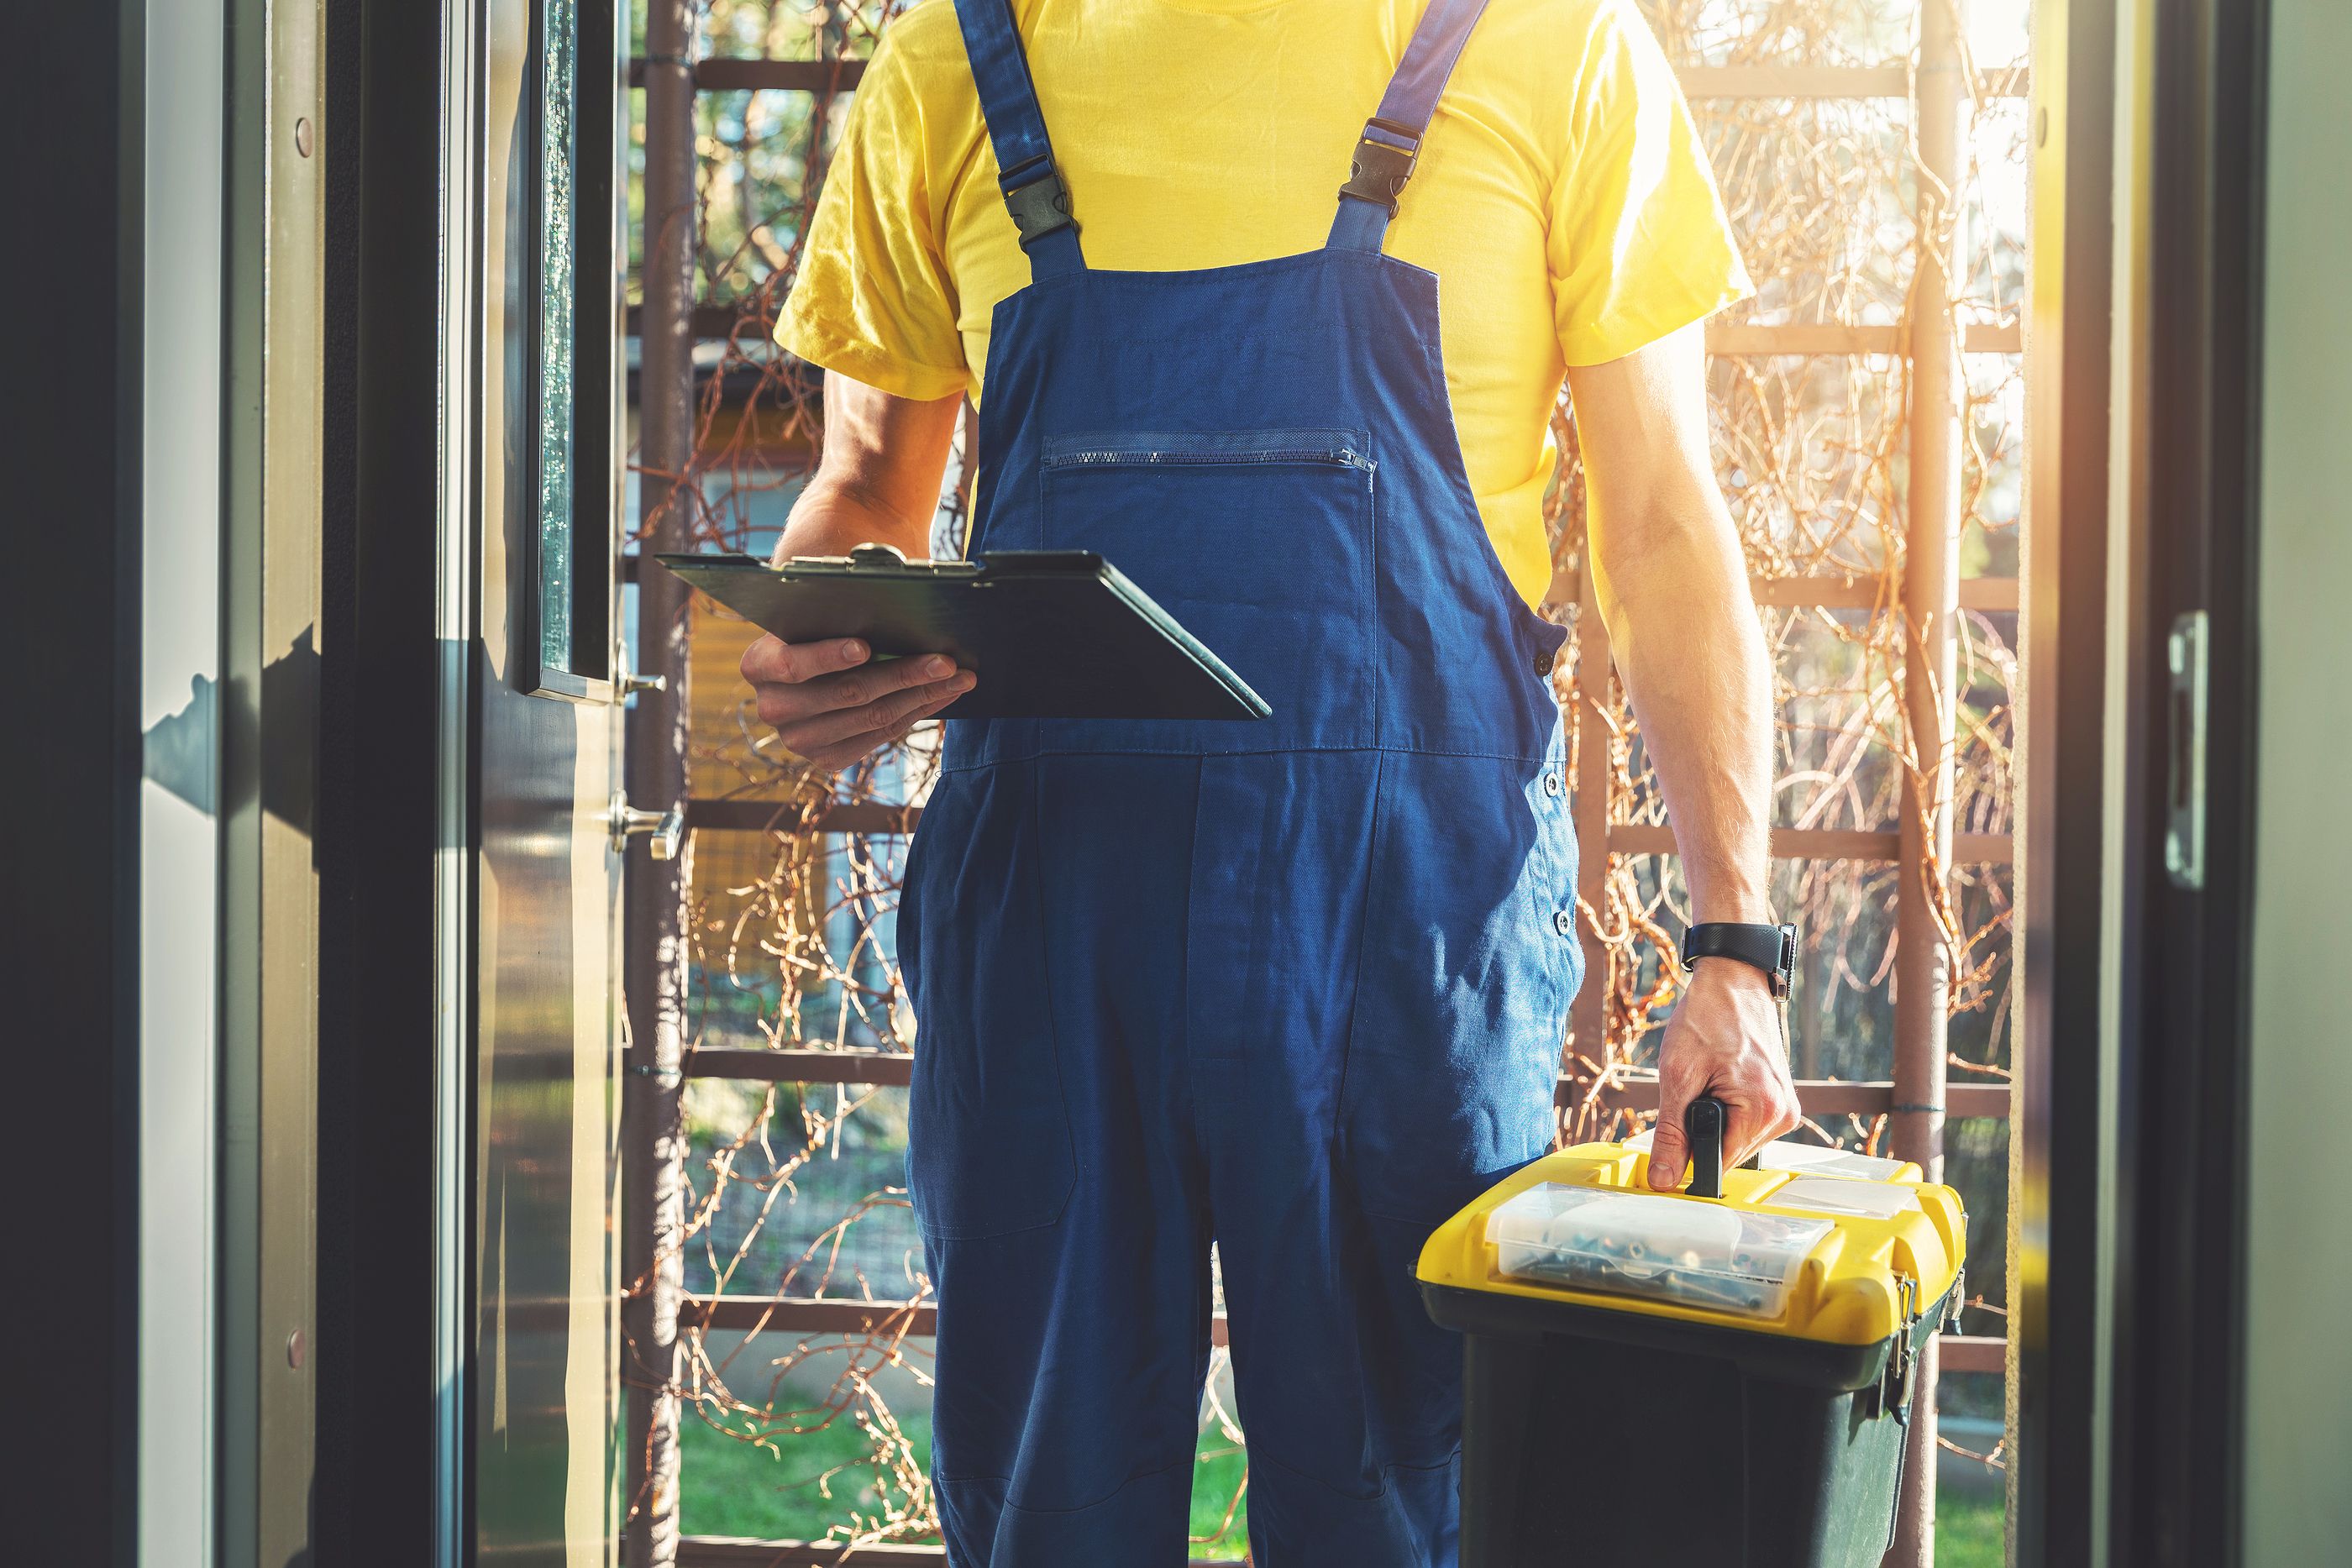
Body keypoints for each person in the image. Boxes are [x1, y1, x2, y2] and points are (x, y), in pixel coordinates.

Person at [742, 0, 1802, 1560]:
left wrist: (1736, 943)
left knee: (1402, 1510)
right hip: (1052, 938)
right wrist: (816, 632)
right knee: (1047, 1520)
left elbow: (1663, 520)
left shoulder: (1546, 41)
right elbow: (866, 488)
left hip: (1402, 943)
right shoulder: (956, 62)